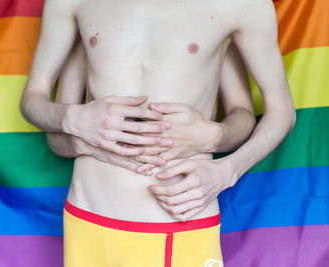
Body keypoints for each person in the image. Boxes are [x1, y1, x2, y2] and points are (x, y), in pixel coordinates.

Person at [20, 0, 296, 266]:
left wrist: (228, 169)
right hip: (87, 217)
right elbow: (35, 102)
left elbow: (281, 111)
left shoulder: (240, 5)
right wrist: (73, 118)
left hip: (180, 221)